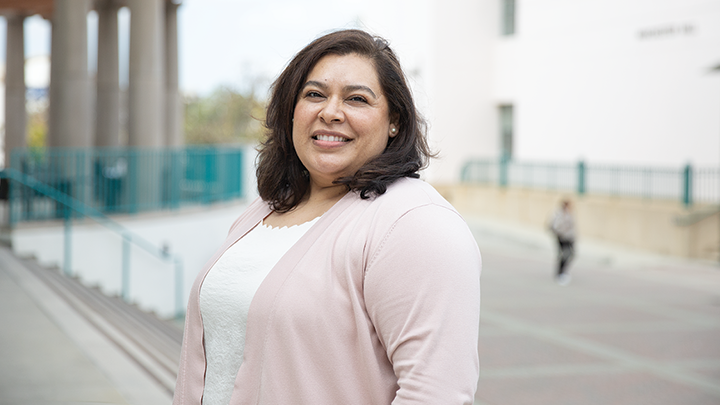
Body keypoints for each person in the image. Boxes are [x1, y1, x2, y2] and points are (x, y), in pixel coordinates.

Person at [172, 29, 482, 405]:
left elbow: (436, 393)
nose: (331, 112)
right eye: (314, 94)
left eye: (356, 99)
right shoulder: (265, 209)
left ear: (394, 121)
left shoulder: (415, 224)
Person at [549, 199, 575, 285]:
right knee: (563, 255)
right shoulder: (559, 214)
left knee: (570, 254)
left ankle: (563, 272)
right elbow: (556, 226)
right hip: (562, 238)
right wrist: (562, 232)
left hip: (569, 238)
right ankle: (560, 273)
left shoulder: (569, 214)